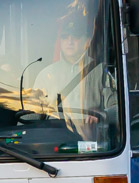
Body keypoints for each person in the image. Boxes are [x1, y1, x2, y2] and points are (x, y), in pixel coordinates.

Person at [31, 11, 116, 143]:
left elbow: (117, 109)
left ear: (87, 41)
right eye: (65, 37)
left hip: (93, 148)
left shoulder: (100, 72)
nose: (69, 41)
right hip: (54, 147)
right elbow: (32, 114)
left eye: (75, 36)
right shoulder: (46, 74)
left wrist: (100, 115)